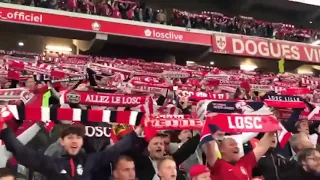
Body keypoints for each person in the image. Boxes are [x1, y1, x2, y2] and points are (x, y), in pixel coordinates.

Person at [0, 116, 144, 180]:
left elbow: (114, 151)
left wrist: (137, 132)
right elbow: (22, 152)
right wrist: (4, 129)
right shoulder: (50, 163)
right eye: (70, 137)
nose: (74, 141)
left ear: (82, 142)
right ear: (62, 141)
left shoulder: (90, 161)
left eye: (78, 138)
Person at [202, 125, 275, 180]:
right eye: (231, 144)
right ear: (221, 149)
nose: (236, 146)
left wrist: (273, 123)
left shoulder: (245, 163)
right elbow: (209, 144)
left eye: (236, 144)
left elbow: (262, 146)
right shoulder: (218, 165)